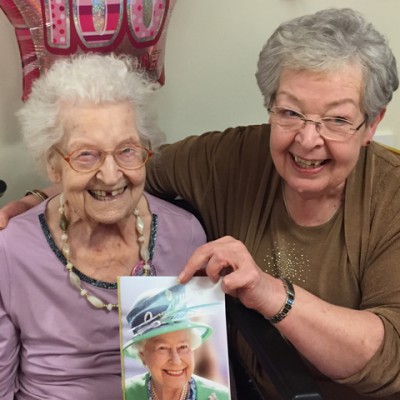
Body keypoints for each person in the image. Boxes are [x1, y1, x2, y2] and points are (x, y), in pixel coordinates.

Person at [2, 7, 400, 400]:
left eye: (337, 120)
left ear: (372, 124)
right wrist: (41, 197)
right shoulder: (225, 159)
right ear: (270, 108)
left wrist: (271, 293)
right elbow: (123, 174)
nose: (308, 139)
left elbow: (391, 362)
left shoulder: (390, 196)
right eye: (290, 112)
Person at [0, 53, 207, 399]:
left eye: (127, 151)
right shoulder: (11, 251)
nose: (111, 176)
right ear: (54, 166)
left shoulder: (184, 236)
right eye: (86, 155)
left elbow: (194, 364)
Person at [122, 283, 230, 399]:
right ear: (142, 355)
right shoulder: (124, 394)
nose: (176, 361)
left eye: (183, 347)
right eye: (162, 348)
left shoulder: (222, 396)